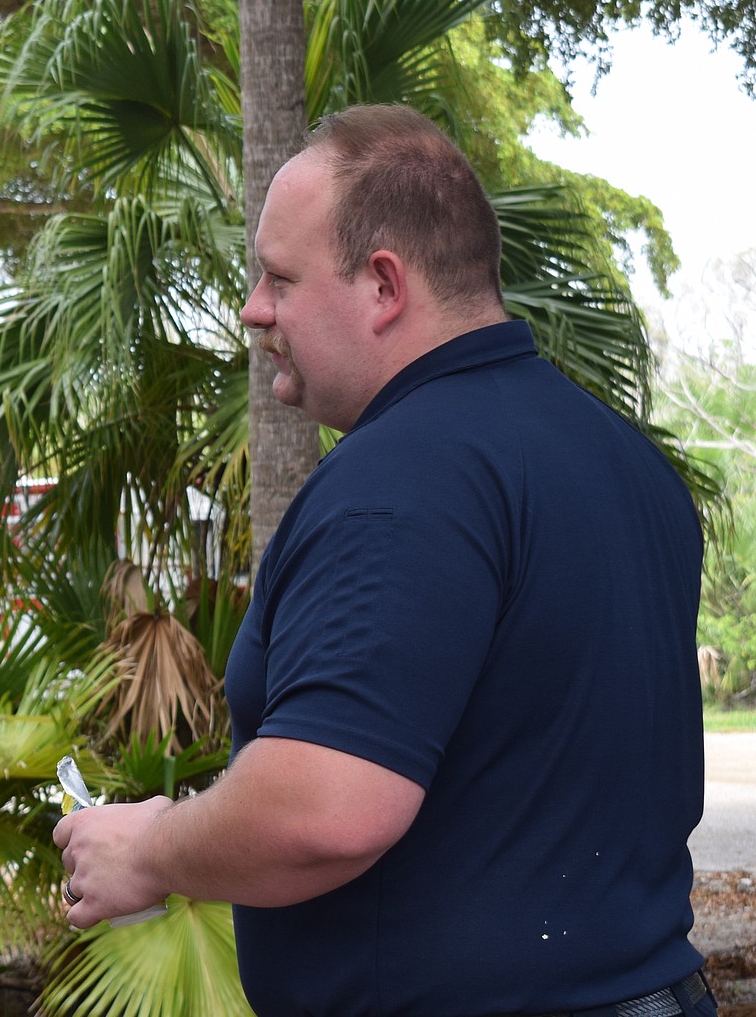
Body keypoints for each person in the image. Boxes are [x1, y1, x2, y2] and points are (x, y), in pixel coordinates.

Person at [53, 106, 714, 1017]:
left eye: (278, 278)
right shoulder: (626, 461)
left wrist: (152, 848)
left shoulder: (403, 477)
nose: (253, 311)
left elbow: (327, 811)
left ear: (383, 286)